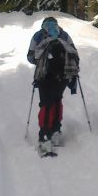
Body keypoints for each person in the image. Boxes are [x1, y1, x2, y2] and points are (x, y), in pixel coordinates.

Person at [27, 16, 80, 155]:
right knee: (57, 100)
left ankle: (44, 137)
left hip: (45, 75)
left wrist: (41, 61)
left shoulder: (39, 35)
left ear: (43, 24)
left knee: (46, 103)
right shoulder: (64, 34)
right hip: (63, 75)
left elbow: (31, 56)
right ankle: (56, 131)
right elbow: (74, 53)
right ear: (57, 25)